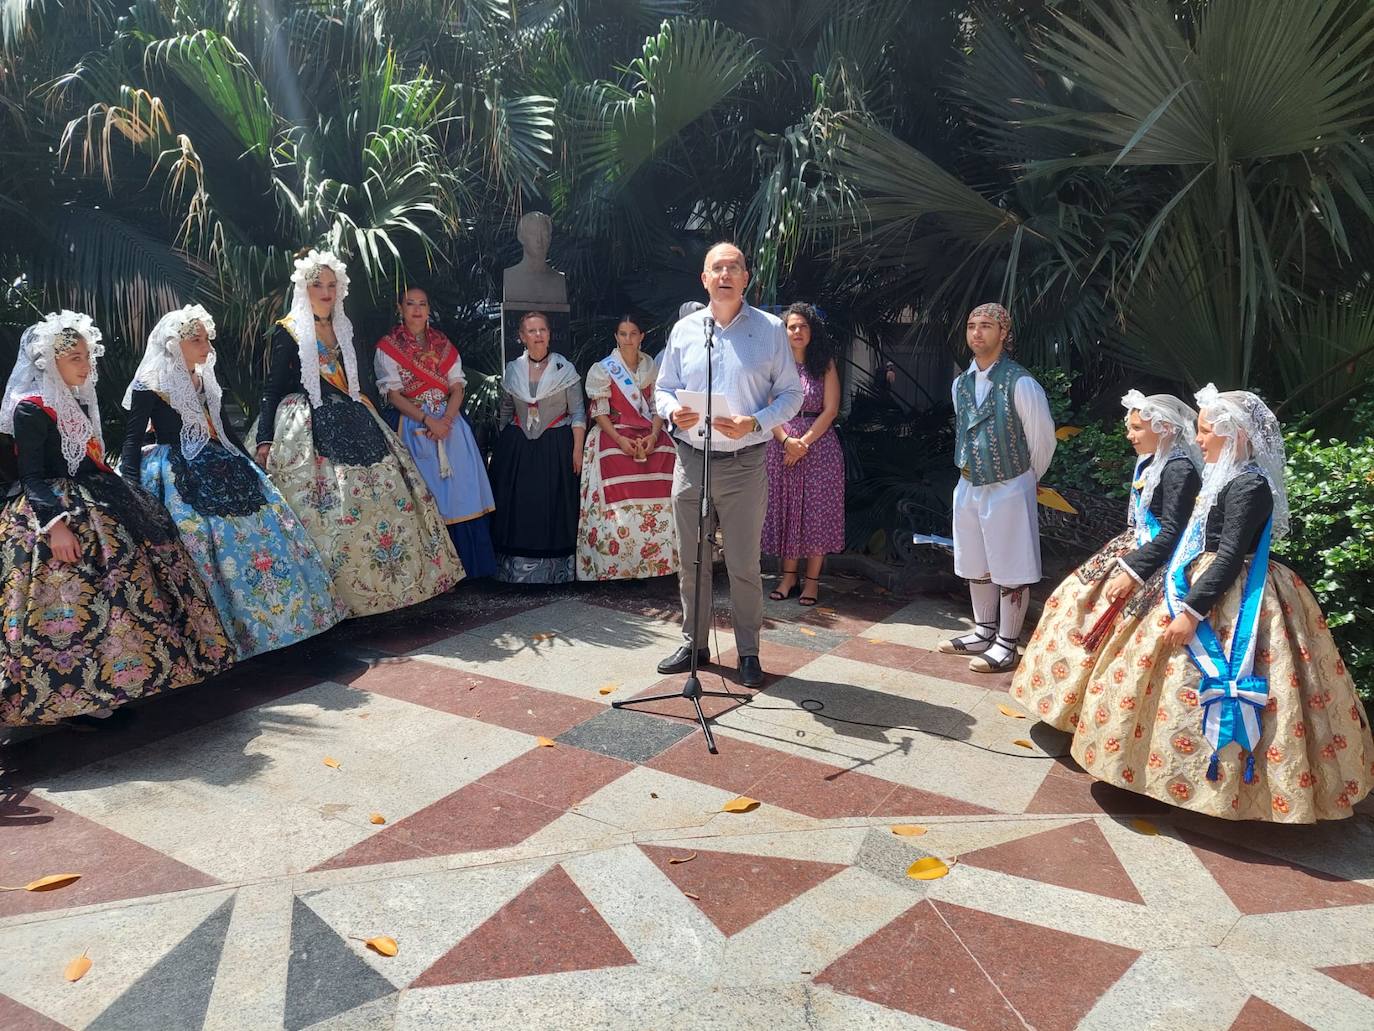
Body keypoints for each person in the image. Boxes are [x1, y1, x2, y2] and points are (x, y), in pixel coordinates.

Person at [1068, 386, 1373, 821]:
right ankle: (1152, 770)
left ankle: (1220, 787)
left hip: (1236, 592)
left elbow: (1230, 557)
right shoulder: (1225, 476)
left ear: (1235, 437)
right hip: (1204, 576)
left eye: (1207, 432)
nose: (1199, 440)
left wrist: (1191, 612)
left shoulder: (1249, 485)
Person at [0, 311, 233, 727]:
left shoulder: (74, 400)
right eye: (74, 357)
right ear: (49, 362)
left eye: (87, 356)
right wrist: (55, 525)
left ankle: (122, 678)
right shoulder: (31, 410)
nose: (85, 365)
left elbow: (88, 463)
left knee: (129, 587)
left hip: (96, 500)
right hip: (55, 511)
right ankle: (75, 698)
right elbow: (31, 476)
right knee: (67, 602)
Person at [120, 304, 341, 659]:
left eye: (206, 339)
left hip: (221, 462)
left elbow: (223, 428)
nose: (206, 347)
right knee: (198, 535)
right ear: (175, 344)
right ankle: (224, 634)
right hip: (176, 470)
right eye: (197, 341)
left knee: (266, 528)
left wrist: (249, 460)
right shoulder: (151, 384)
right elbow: (131, 441)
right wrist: (129, 490)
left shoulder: (205, 376)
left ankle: (286, 622)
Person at [254, 250, 462, 616]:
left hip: (355, 416)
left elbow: (360, 379)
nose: (325, 291)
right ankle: (336, 599)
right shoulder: (288, 330)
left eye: (332, 285)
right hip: (306, 422)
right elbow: (271, 388)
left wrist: (377, 419)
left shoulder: (345, 327)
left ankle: (388, 589)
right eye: (318, 284)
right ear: (304, 287)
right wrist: (265, 439)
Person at [653, 243, 804, 687]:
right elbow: (664, 388)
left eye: (732, 268)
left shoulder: (771, 329)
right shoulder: (684, 330)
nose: (724, 275)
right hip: (690, 460)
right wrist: (669, 413)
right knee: (691, 560)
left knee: (742, 563)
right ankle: (694, 643)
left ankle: (749, 651)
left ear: (745, 278)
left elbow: (792, 395)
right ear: (704, 280)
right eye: (716, 268)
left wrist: (754, 421)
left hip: (743, 462)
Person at [1011, 390, 1201, 727]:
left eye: (1137, 428)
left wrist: (1134, 570)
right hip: (1133, 549)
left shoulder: (1179, 470)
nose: (1129, 435)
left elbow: (1173, 531)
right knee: (1071, 607)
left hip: (1154, 564)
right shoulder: (1156, 461)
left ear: (1166, 429)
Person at [937, 302, 1055, 673]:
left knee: (1011, 565)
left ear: (1003, 333)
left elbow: (1042, 441)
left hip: (1009, 484)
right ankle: (983, 630)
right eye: (972, 325)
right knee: (976, 560)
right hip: (969, 482)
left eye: (986, 325)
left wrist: (1023, 480)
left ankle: (1007, 642)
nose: (976, 332)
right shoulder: (961, 384)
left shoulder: (1021, 383)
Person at [375, 287, 498, 578]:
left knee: (461, 492)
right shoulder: (388, 346)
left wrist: (446, 419)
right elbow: (392, 395)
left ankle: (471, 566)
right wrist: (428, 420)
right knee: (425, 492)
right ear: (400, 308)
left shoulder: (443, 344)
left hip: (450, 423)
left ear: (429, 309)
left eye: (423, 304)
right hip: (413, 424)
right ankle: (433, 572)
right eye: (410, 304)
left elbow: (457, 386)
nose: (417, 310)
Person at [576, 313, 678, 581]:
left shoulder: (653, 369)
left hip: (648, 431)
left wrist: (655, 436)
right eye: (623, 334)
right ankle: (616, 564)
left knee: (668, 454)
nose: (628, 339)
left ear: (642, 336)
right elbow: (599, 411)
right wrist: (620, 440)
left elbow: (658, 408)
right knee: (612, 458)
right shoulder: (603, 369)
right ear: (616, 337)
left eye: (633, 333)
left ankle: (662, 561)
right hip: (615, 431)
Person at [488, 311, 586, 583]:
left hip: (556, 444)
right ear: (522, 337)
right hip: (520, 447)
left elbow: (578, 412)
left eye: (542, 329)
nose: (538, 335)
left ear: (549, 334)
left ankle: (556, 573)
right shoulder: (514, 370)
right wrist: (507, 445)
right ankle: (515, 572)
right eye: (531, 331)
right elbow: (506, 409)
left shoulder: (565, 370)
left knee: (553, 505)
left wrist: (577, 450)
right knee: (520, 507)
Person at [762, 302, 844, 606]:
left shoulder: (825, 364)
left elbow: (831, 409)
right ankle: (788, 577)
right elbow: (768, 408)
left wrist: (804, 443)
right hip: (781, 445)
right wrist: (786, 442)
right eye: (791, 326)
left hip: (819, 446)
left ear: (812, 331)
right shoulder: (775, 366)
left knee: (816, 513)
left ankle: (812, 582)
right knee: (787, 510)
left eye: (802, 326)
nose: (796, 331)